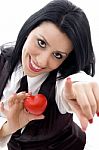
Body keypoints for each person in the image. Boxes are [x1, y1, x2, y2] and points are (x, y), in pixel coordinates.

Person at [0, 0, 99, 149]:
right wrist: (8, 128)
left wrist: (80, 84)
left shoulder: (61, 85)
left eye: (58, 55)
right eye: (41, 43)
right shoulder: (3, 61)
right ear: (29, 30)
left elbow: (71, 84)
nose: (42, 61)